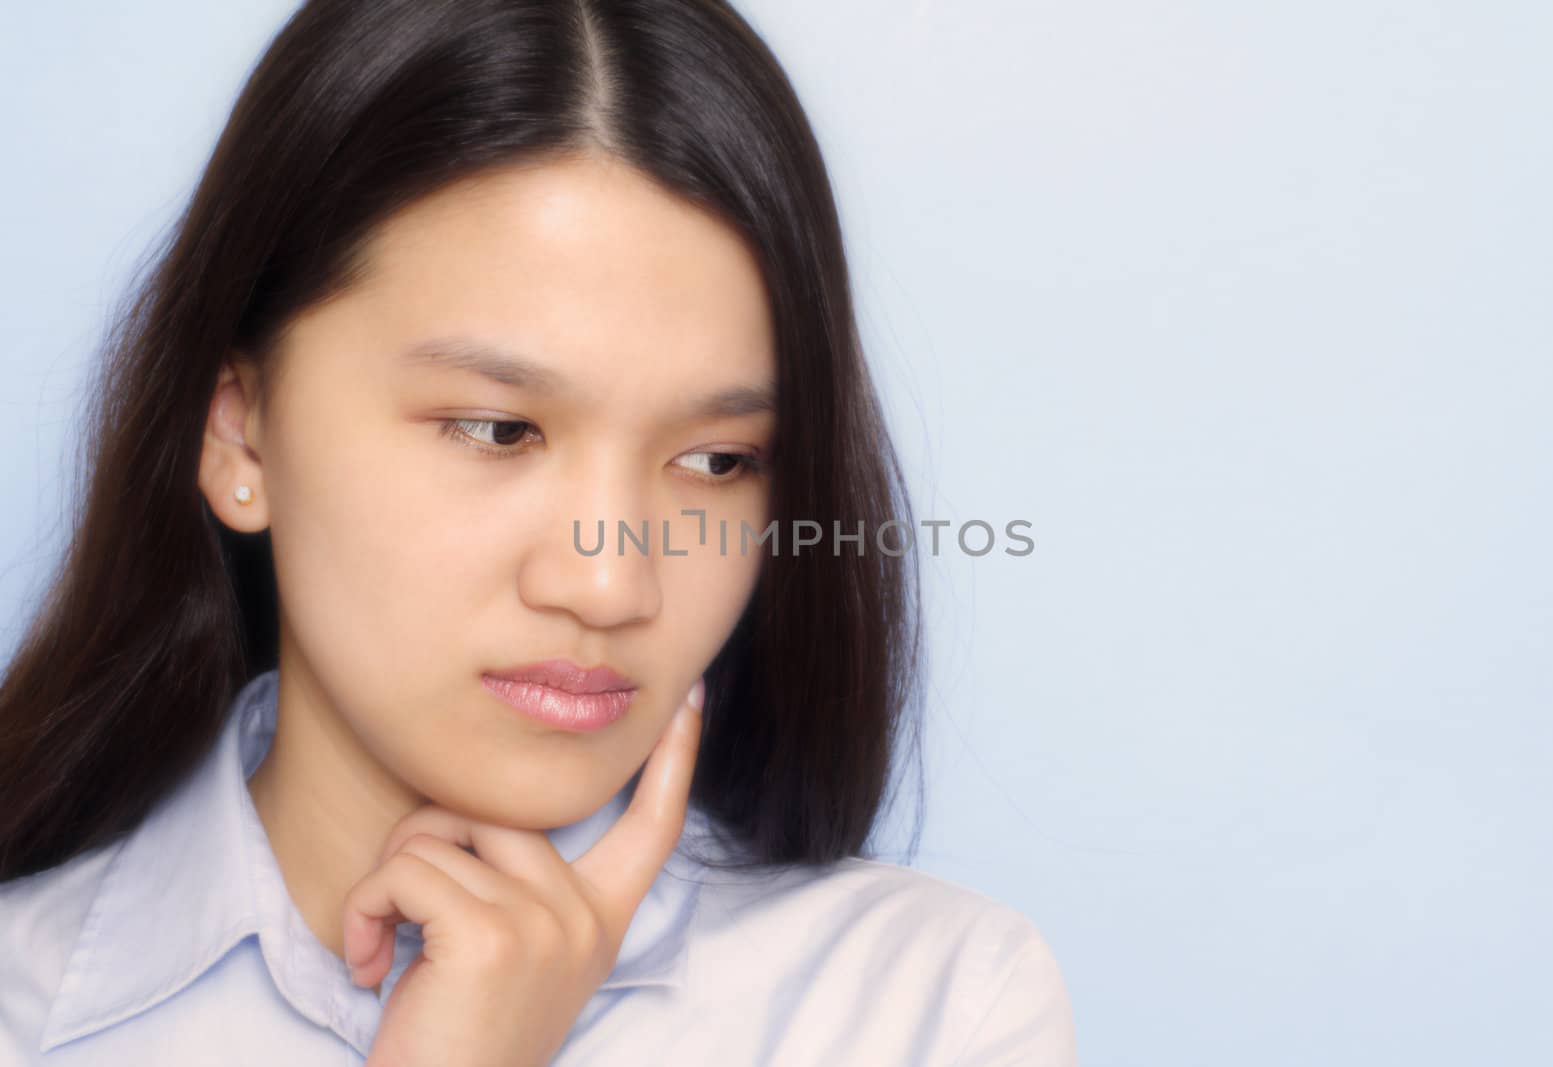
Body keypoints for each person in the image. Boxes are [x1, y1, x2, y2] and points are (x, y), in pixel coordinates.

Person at [0, 0, 1078, 1063]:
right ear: (238, 436)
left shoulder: (923, 1010)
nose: (612, 583)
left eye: (717, 461)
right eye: (498, 428)